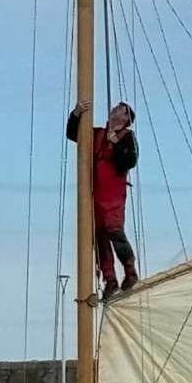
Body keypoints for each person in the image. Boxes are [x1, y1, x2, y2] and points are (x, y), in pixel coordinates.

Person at [67, 98, 139, 299]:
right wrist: (76, 114)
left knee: (114, 232)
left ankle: (130, 271)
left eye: (120, 108)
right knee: (100, 238)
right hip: (94, 195)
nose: (114, 108)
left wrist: (116, 144)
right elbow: (74, 135)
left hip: (112, 195)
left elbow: (130, 160)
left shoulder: (127, 137)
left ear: (125, 117)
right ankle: (110, 279)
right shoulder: (98, 134)